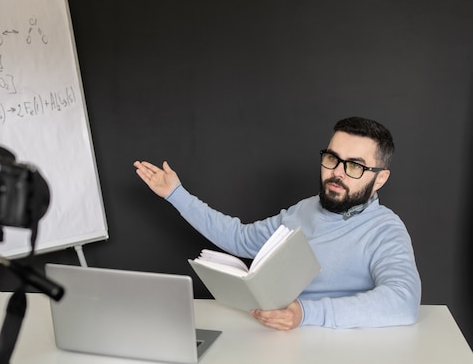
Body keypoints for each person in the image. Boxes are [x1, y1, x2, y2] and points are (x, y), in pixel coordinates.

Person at [133, 116, 421, 330]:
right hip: (277, 338)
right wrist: (176, 194)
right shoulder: (305, 209)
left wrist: (305, 313)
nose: (337, 173)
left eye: (355, 166)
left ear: (380, 178)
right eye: (332, 158)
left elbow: (403, 300)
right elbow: (240, 239)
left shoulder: (385, 229)